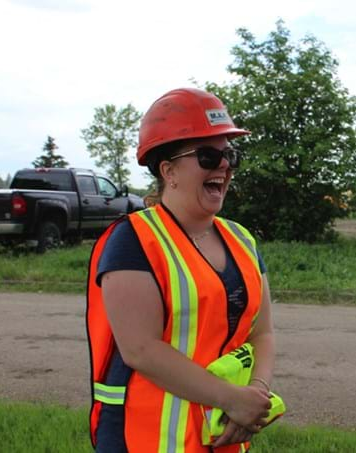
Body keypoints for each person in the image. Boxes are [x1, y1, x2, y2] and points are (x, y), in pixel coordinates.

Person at [86, 88, 275, 453]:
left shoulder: (242, 240)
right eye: (208, 156)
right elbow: (140, 349)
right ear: (168, 171)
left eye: (229, 155)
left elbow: (262, 333)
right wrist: (233, 400)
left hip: (222, 436)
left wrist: (255, 394)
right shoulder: (133, 240)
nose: (224, 166)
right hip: (145, 440)